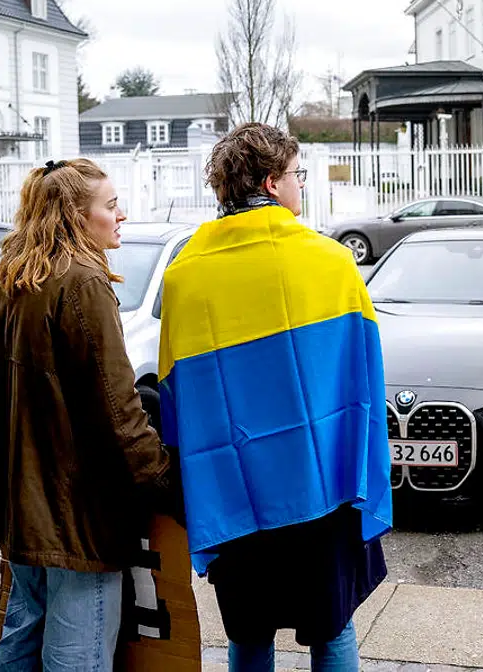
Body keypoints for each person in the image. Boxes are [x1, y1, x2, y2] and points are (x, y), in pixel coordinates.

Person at [159, 124, 392, 672]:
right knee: (332, 629)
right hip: (323, 487)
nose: (301, 186)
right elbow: (363, 381)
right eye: (296, 175)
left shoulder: (184, 276)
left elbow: (177, 396)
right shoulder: (331, 262)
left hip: (235, 492)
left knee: (248, 634)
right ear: (270, 181)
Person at [0, 158, 175, 672]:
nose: (121, 216)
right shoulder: (83, 284)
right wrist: (166, 480)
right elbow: (118, 410)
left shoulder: (12, 281)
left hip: (24, 507)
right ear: (77, 217)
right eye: (111, 205)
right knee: (75, 656)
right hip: (77, 517)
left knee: (22, 639)